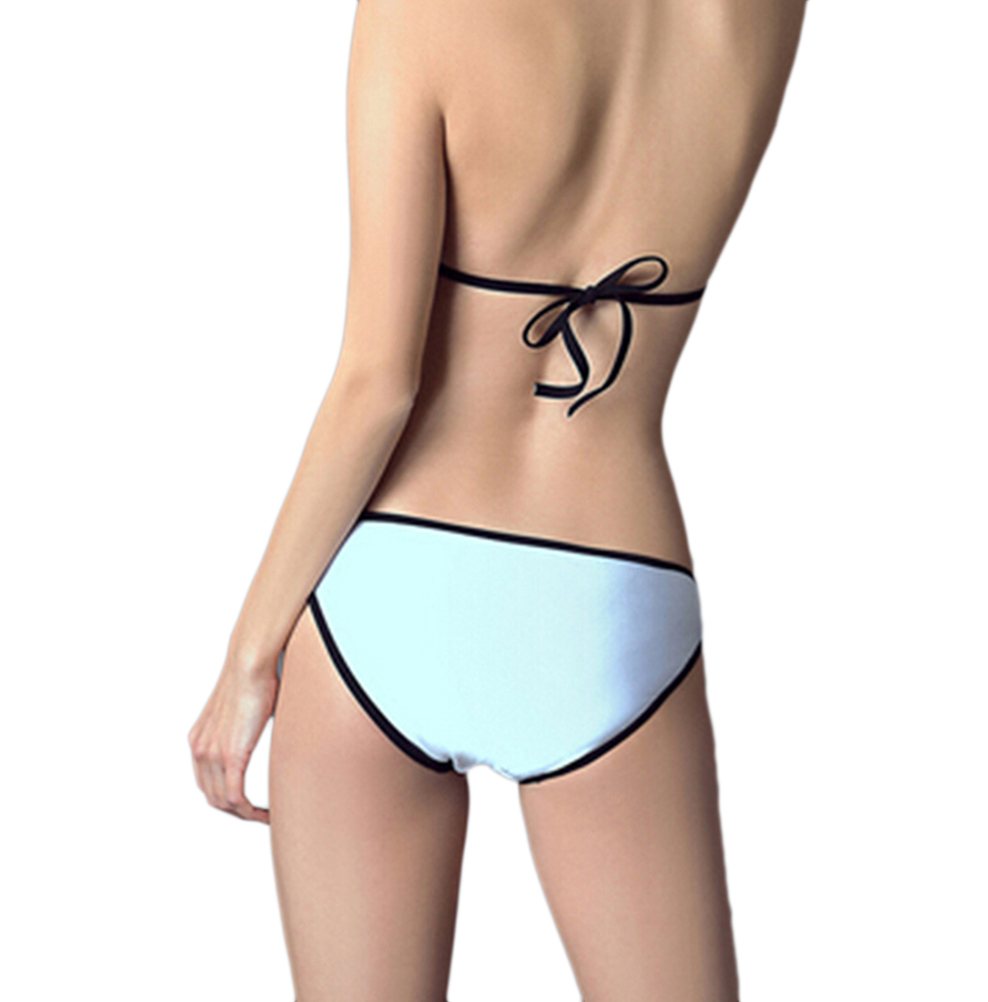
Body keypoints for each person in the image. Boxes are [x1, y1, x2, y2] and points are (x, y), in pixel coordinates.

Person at [189, 0, 806, 998]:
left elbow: (378, 386)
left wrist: (247, 658)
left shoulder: (419, 13)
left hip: (390, 592)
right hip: (617, 592)